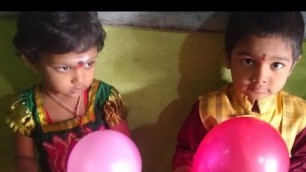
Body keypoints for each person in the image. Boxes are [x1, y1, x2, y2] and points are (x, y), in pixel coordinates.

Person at [172, 12, 306, 172]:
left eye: (276, 65)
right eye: (248, 61)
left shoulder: (300, 117)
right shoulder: (208, 110)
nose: (260, 77)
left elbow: (302, 161)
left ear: (292, 65)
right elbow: (188, 151)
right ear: (228, 58)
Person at [5, 12, 130, 172]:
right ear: (32, 61)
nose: (80, 78)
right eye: (64, 68)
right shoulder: (28, 108)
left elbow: (123, 146)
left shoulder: (105, 98)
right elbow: (24, 158)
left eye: (89, 63)